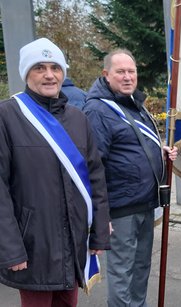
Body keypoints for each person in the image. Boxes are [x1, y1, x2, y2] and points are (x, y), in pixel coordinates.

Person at [0, 38, 110, 307]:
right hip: (33, 245)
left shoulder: (77, 118)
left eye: (55, 67)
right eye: (39, 68)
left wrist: (98, 233)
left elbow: (95, 178)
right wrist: (11, 248)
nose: (49, 75)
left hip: (73, 243)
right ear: (27, 73)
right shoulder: (7, 115)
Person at [83, 49, 177, 307]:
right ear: (106, 75)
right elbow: (94, 165)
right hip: (120, 208)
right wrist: (101, 216)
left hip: (144, 203)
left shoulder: (134, 104)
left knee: (141, 267)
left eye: (131, 71)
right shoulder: (98, 110)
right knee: (123, 272)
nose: (127, 77)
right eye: (120, 72)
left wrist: (160, 151)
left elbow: (130, 145)